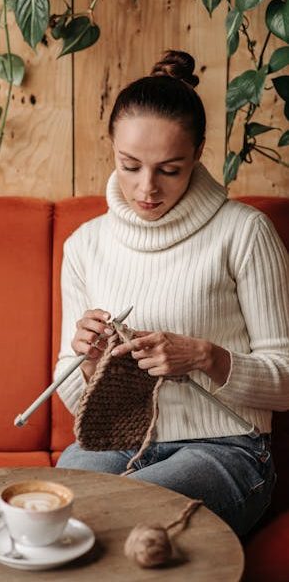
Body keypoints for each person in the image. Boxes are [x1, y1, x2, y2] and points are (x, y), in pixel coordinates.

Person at [54, 50, 289, 536]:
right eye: (130, 165)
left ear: (198, 153)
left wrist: (205, 357)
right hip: (116, 442)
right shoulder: (84, 246)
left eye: (170, 169)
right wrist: (89, 362)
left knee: (114, 519)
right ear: (113, 149)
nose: (147, 189)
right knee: (54, 516)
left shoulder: (245, 233)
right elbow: (74, 399)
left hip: (228, 448)